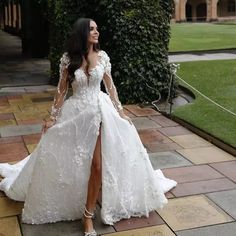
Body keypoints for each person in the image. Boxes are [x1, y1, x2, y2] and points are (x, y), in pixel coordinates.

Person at [0, 18, 177, 236]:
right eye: (92, 29)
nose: (97, 32)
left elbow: (110, 88)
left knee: (97, 165)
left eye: (97, 28)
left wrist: (120, 112)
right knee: (75, 159)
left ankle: (88, 216)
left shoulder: (102, 57)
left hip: (100, 112)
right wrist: (52, 117)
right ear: (83, 33)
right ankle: (81, 196)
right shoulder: (68, 59)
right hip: (76, 114)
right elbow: (61, 90)